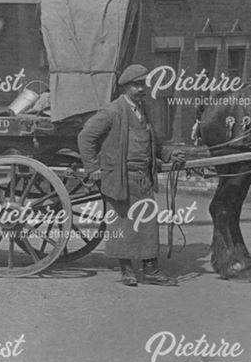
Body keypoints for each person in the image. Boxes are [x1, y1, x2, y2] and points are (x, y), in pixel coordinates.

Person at [77, 64, 186, 287]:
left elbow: (153, 141)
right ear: (126, 87)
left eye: (143, 85)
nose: (141, 89)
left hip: (142, 178)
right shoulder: (112, 112)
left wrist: (169, 153)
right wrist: (92, 168)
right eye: (137, 85)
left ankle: (151, 270)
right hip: (119, 178)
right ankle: (126, 271)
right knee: (121, 224)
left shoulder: (142, 110)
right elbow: (85, 137)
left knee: (147, 223)